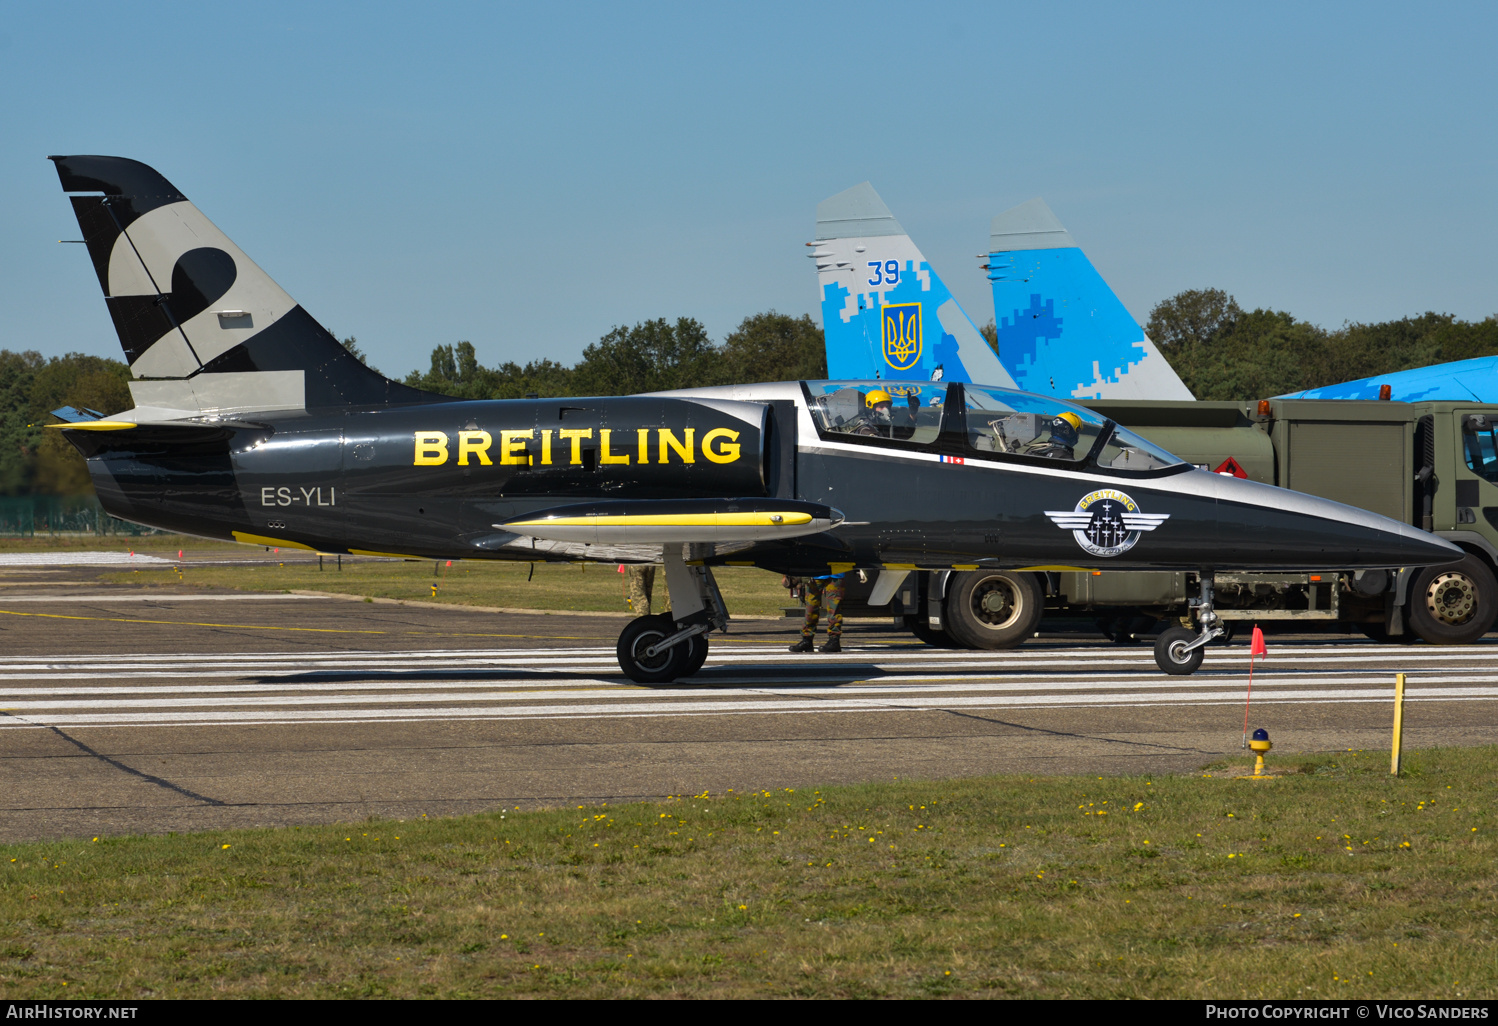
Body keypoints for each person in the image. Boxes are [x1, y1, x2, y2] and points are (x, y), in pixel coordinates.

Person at [788, 571, 847, 653]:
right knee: (810, 608)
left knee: (834, 609)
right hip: (816, 575)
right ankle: (807, 640)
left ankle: (834, 640)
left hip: (836, 573)